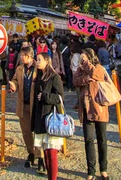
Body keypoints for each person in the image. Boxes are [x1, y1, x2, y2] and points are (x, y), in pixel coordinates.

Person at [73, 48, 109, 180]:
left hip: (99, 107)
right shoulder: (80, 70)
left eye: (84, 57)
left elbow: (96, 75)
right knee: (88, 139)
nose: (82, 60)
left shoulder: (98, 67)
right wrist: (87, 78)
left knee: (102, 139)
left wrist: (87, 65)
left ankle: (103, 169)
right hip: (86, 107)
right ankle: (91, 170)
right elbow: (76, 81)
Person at [9, 46, 45, 173]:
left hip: (36, 105)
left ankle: (40, 157)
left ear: (29, 56)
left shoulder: (39, 67)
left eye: (23, 55)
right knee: (26, 131)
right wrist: (14, 85)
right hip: (23, 104)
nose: (21, 57)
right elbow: (14, 79)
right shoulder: (19, 68)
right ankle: (31, 153)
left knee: (38, 132)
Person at [31, 52, 65, 180]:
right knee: (45, 152)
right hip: (41, 118)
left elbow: (61, 97)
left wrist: (45, 96)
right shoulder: (39, 77)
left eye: (39, 60)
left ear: (46, 61)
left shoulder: (54, 77)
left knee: (51, 153)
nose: (37, 62)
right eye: (37, 59)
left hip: (51, 118)